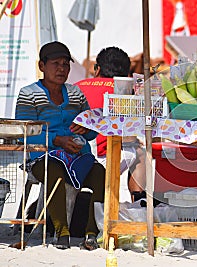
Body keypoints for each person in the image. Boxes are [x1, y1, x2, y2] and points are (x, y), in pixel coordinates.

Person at [15, 41, 105, 250]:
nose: (62, 69)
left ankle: (91, 233)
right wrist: (57, 140)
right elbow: (25, 134)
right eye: (56, 63)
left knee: (100, 173)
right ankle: (61, 232)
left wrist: (86, 129)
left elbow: (91, 131)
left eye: (66, 64)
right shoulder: (29, 94)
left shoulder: (76, 94)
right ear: (42, 66)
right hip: (41, 158)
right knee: (53, 170)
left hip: (78, 158)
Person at [75, 47, 146, 202]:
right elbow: (132, 129)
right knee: (141, 153)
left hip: (73, 156)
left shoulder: (76, 86)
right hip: (104, 159)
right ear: (127, 74)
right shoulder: (127, 92)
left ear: (97, 68)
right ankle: (139, 203)